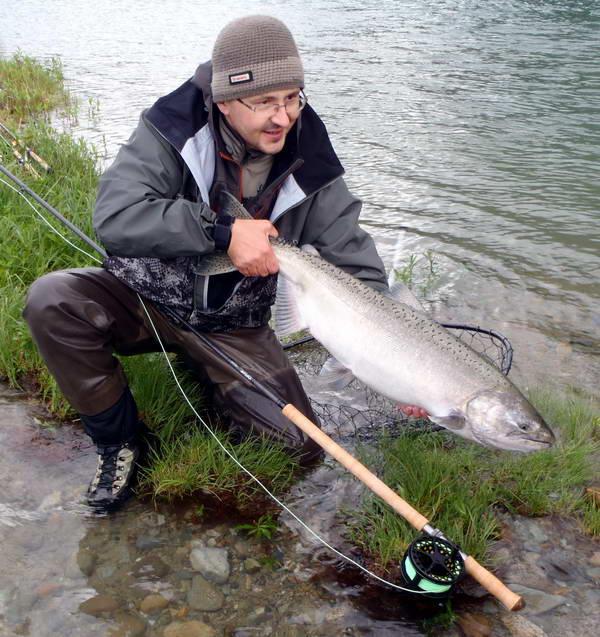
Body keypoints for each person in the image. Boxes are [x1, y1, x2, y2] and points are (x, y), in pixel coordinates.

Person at [23, 15, 392, 513]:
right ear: (224, 100)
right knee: (54, 300)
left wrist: (397, 367)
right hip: (146, 299)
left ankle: (211, 374)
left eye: (291, 98)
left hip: (234, 325)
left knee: (296, 450)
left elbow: (358, 267)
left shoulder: (312, 157)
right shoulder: (172, 127)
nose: (281, 117)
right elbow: (115, 217)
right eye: (262, 101)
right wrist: (221, 231)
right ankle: (121, 443)